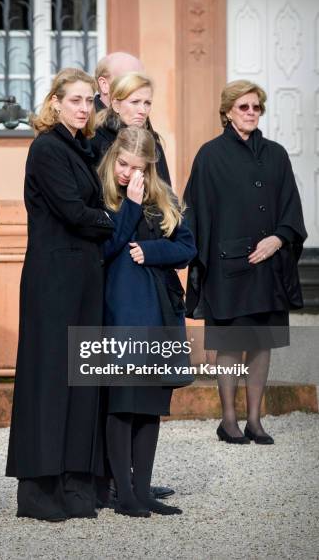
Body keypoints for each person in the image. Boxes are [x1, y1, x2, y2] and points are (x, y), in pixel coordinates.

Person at [6, 68, 114, 522]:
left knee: (82, 380)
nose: (83, 108)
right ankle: (40, 491)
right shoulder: (47, 148)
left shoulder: (82, 148)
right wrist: (114, 219)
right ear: (54, 102)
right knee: (50, 382)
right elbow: (73, 211)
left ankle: (75, 485)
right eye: (74, 100)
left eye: (89, 100)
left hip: (84, 279)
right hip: (53, 282)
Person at [184, 80, 307, 445]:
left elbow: (291, 208)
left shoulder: (276, 154)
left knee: (262, 342)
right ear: (227, 112)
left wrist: (278, 238)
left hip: (269, 266)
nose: (251, 113)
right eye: (243, 107)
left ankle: (255, 420)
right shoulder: (209, 155)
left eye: (256, 107)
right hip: (227, 269)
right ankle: (229, 420)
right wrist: (197, 262)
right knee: (230, 344)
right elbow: (198, 211)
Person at [98, 126, 196, 517]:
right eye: (123, 164)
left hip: (158, 312)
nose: (128, 173)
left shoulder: (162, 197)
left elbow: (187, 247)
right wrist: (132, 207)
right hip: (119, 313)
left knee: (151, 403)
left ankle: (143, 490)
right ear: (113, 158)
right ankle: (122, 493)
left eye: (137, 167)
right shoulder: (101, 195)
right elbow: (102, 248)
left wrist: (151, 250)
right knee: (123, 402)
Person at [91, 72, 171, 185]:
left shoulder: (152, 141)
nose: (143, 110)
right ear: (116, 105)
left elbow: (166, 193)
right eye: (135, 102)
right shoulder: (94, 137)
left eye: (147, 103)